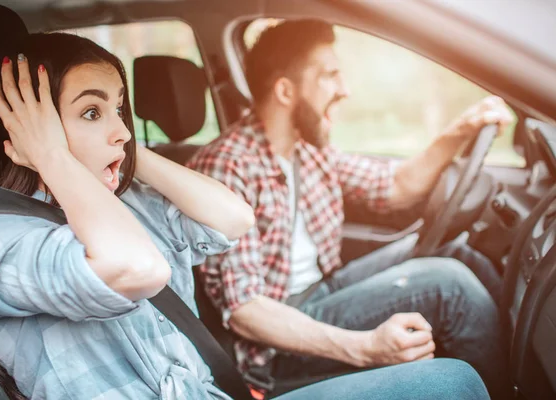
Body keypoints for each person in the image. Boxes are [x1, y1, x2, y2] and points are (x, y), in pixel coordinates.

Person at [0, 31, 492, 400]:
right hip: (252, 364)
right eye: (92, 111)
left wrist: (132, 154)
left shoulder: (127, 205)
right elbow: (138, 271)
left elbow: (234, 218)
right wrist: (51, 155)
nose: (120, 127)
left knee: (452, 341)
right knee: (451, 382)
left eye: (120, 108)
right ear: (29, 130)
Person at [187, 19, 513, 399]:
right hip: (275, 341)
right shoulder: (228, 166)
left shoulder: (308, 149)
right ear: (285, 91)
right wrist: (366, 348)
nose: (345, 90)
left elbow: (396, 187)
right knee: (450, 286)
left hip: (322, 288)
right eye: (330, 76)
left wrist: (462, 128)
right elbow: (247, 311)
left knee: (456, 252)